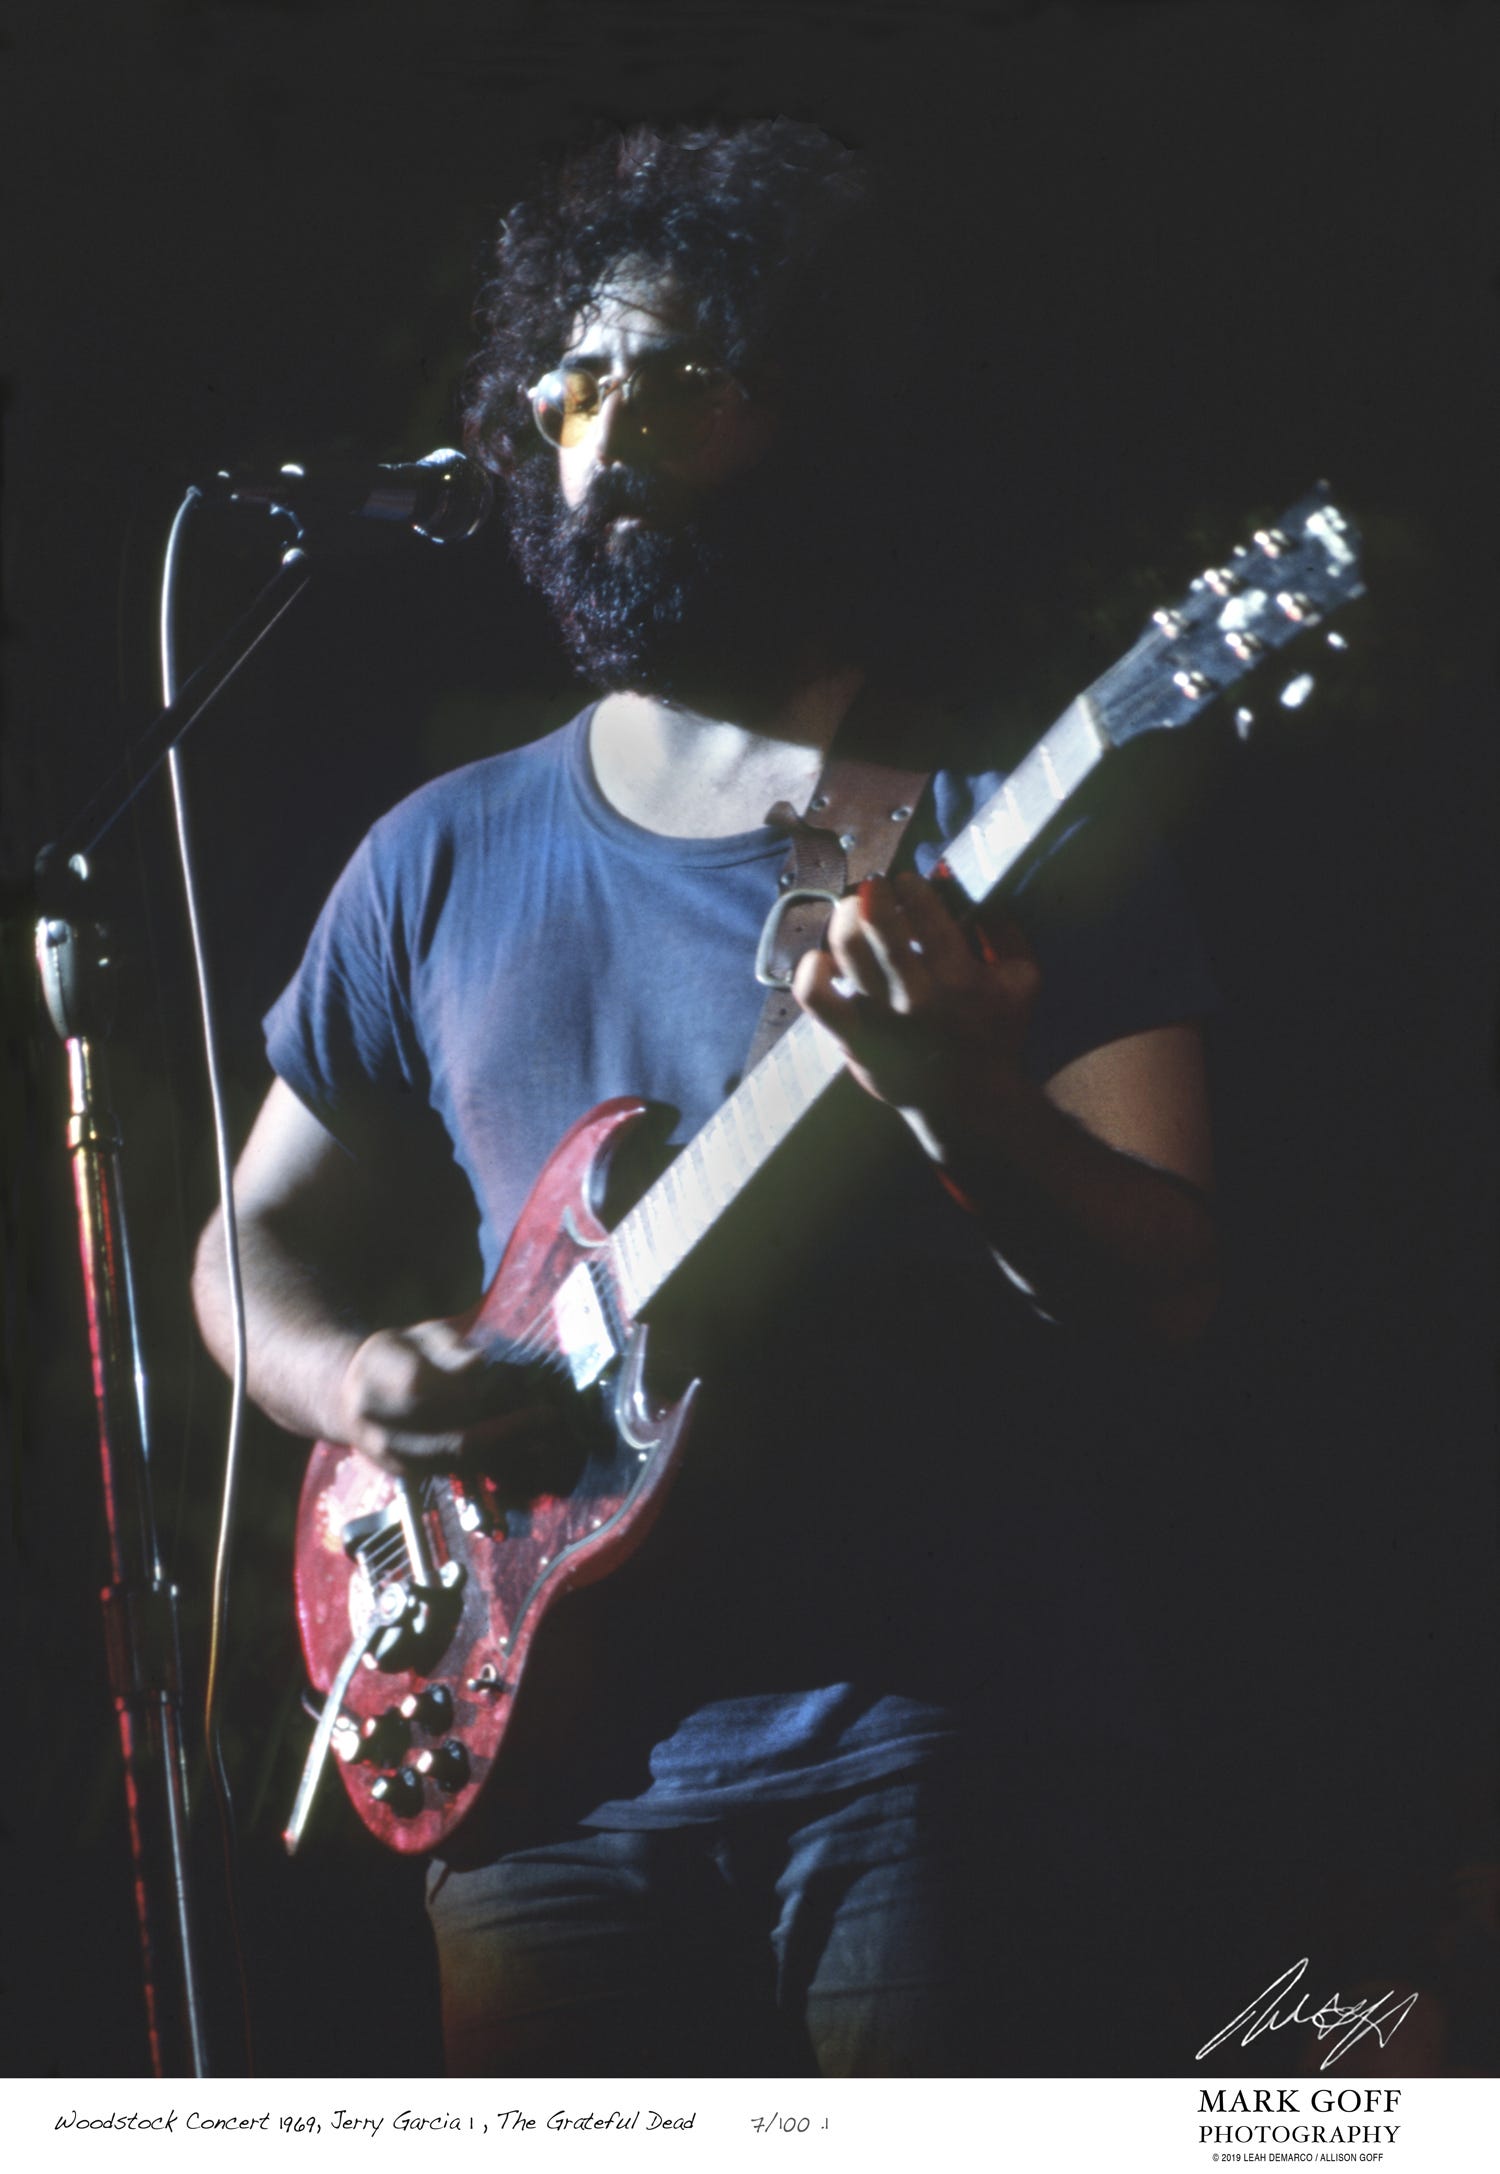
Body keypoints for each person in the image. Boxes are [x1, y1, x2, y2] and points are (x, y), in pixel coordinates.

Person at [192, 120, 1220, 2077]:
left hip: (942, 1738)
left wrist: (969, 1108)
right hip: (543, 1782)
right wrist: (352, 1385)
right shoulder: (438, 851)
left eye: (679, 372)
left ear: (813, 411)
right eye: (575, 380)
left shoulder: (999, 816)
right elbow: (247, 1243)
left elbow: (1175, 1273)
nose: (612, 420)